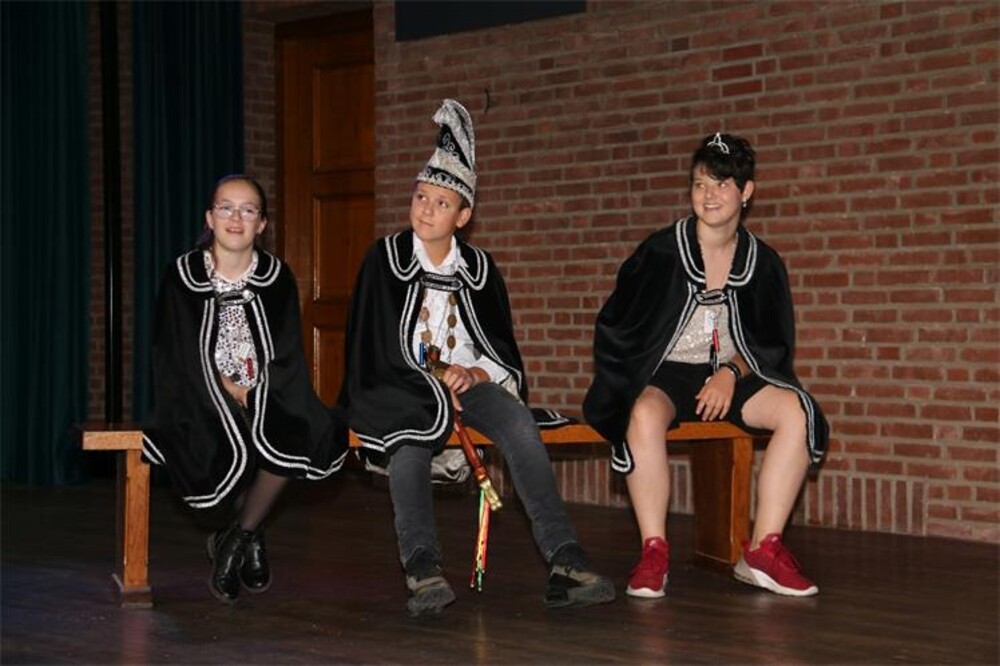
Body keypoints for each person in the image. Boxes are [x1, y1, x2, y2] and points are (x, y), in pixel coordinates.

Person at [338, 99, 615, 617]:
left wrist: (473, 372)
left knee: (519, 424)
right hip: (400, 387)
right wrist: (429, 380)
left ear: (463, 216)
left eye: (441, 203)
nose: (426, 209)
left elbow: (499, 347)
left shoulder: (481, 269)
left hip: (469, 383)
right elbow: (372, 343)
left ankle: (565, 558)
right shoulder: (385, 259)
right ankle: (421, 566)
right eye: (421, 197)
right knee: (409, 439)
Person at [583, 133, 829, 599]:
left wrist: (730, 373)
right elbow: (618, 325)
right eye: (700, 184)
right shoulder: (660, 252)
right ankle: (654, 551)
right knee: (642, 414)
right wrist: (637, 372)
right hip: (664, 371)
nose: (709, 195)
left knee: (798, 412)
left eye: (721, 184)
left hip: (733, 373)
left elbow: (772, 346)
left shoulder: (764, 263)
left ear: (746, 191)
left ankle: (762, 551)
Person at [142, 174, 348, 604]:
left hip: (264, 388)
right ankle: (250, 534)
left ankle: (238, 536)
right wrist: (226, 388)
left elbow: (287, 351)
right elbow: (174, 350)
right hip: (199, 391)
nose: (236, 218)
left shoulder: (277, 278)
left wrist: (258, 392)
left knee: (295, 426)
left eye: (248, 210)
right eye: (226, 208)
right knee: (222, 435)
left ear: (261, 224)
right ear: (209, 218)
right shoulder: (182, 275)